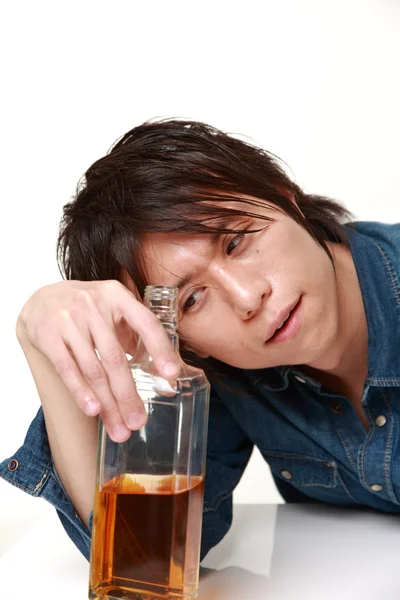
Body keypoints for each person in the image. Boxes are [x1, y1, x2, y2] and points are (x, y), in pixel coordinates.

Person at [1, 119, 400, 562]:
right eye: (192, 300)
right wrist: (41, 347)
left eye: (236, 241)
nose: (248, 298)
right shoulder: (227, 372)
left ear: (285, 197)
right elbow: (142, 556)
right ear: (182, 338)